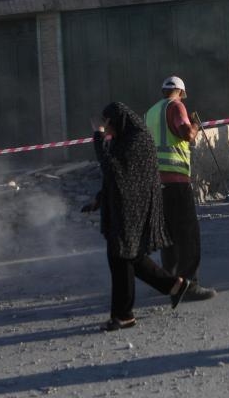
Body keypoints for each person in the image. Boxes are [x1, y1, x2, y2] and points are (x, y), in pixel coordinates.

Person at [83, 102, 191, 331]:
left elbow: (111, 168)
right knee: (131, 257)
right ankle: (174, 285)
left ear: (117, 122)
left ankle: (124, 315)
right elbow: (116, 176)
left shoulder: (138, 140)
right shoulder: (124, 139)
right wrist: (99, 199)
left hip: (134, 208)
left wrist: (98, 136)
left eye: (107, 125)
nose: (107, 130)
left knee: (120, 257)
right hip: (122, 206)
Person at [145, 76, 217, 301]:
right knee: (187, 235)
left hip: (156, 182)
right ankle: (189, 284)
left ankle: (171, 281)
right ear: (180, 92)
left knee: (168, 235)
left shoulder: (150, 112)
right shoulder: (176, 106)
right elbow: (187, 134)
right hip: (176, 180)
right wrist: (196, 124)